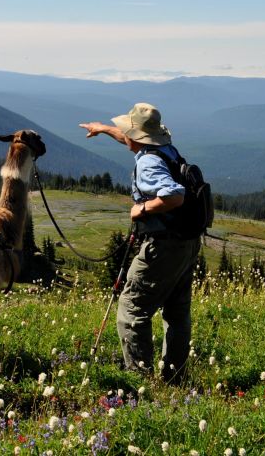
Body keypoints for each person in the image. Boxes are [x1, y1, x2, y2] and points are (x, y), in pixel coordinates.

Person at [79, 103, 201, 384]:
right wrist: (105, 129)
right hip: (187, 243)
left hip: (163, 247)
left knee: (132, 307)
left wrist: (141, 210)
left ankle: (140, 381)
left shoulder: (148, 162)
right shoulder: (166, 150)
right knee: (177, 311)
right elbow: (132, 140)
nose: (125, 136)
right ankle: (174, 378)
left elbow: (174, 196)